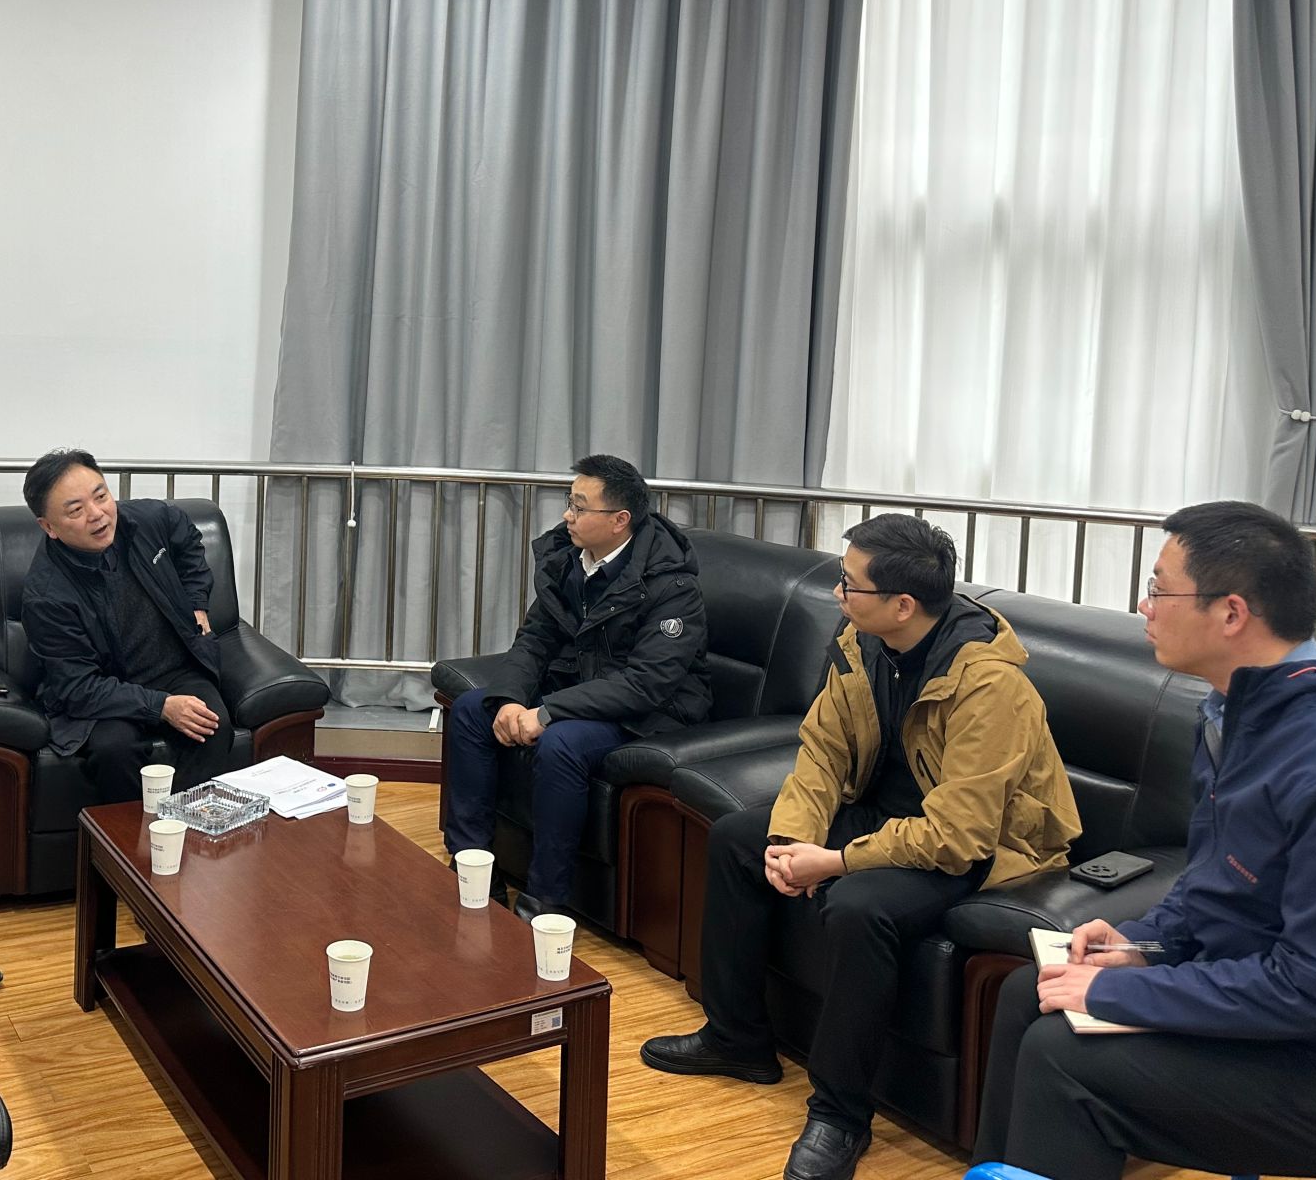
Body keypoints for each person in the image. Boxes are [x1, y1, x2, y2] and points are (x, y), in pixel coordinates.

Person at [974, 500, 1316, 1180]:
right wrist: (1143, 947)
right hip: (1298, 1019)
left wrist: (1117, 996)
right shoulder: (1233, 716)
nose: (1144, 606)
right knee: (1029, 990)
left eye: (1159, 589)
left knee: (1066, 1061)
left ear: (1232, 613)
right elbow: (1218, 881)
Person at [642, 513, 1080, 1180]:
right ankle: (736, 1039)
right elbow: (822, 751)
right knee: (737, 839)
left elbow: (958, 835)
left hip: (983, 844)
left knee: (858, 905)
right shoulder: (862, 643)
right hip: (886, 816)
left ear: (903, 605)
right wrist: (792, 838)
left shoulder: (992, 687)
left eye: (850, 584)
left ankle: (840, 1115)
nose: (837, 594)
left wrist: (836, 861)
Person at [441, 453, 711, 921]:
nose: (567, 515)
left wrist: (547, 712)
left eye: (580, 507)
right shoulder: (568, 561)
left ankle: (545, 900)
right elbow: (535, 640)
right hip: (583, 690)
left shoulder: (672, 586)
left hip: (650, 713)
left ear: (620, 520)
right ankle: (472, 867)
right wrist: (509, 700)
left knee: (560, 742)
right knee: (471, 709)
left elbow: (647, 683)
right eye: (570, 503)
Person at [19, 448, 234, 804]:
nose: (97, 514)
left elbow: (188, 539)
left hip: (174, 669)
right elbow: (78, 688)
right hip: (106, 687)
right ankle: (131, 836)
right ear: (49, 527)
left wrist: (197, 604)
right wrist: (161, 706)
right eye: (76, 510)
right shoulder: (46, 596)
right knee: (113, 750)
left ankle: (187, 825)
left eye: (101, 496)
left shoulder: (145, 520)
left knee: (212, 725)